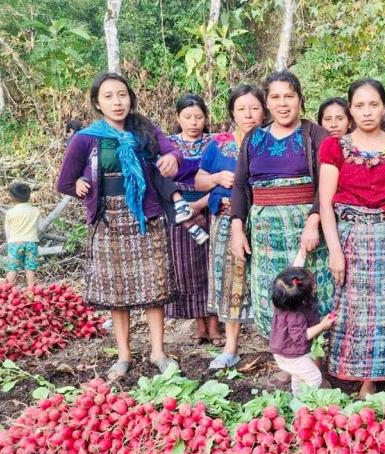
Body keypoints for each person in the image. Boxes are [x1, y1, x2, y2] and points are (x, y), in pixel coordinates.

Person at [57, 71, 186, 380]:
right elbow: (64, 182)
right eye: (109, 96)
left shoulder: (144, 130)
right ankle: (124, 355)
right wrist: (79, 183)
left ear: (130, 98)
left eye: (122, 95)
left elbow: (172, 150)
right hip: (108, 220)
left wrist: (172, 158)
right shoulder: (86, 138)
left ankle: (158, 351)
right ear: (97, 104)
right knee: (118, 292)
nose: (117, 102)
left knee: (154, 286)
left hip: (146, 215)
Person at [318, 78, 385, 398]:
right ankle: (365, 380)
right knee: (359, 312)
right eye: (360, 105)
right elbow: (326, 202)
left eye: (373, 104)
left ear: (384, 106)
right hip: (352, 238)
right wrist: (335, 251)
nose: (367, 112)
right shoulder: (334, 147)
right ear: (351, 109)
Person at [229, 71, 334, 341]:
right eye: (275, 97)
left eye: (289, 96)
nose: (283, 103)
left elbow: (326, 183)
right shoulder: (254, 138)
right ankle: (284, 358)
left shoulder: (316, 135)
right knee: (272, 291)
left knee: (310, 290)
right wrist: (238, 228)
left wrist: (314, 221)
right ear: (267, 102)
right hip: (265, 234)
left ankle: (316, 360)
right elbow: (241, 185)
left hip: (306, 231)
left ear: (300, 100)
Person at [195, 85, 266, 369]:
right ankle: (231, 346)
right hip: (225, 220)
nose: (248, 114)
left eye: (254, 108)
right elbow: (199, 180)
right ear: (232, 113)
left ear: (264, 110)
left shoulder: (272, 141)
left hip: (263, 220)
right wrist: (217, 178)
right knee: (231, 284)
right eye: (241, 109)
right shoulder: (219, 144)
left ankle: (280, 345)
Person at [166, 94, 221, 345]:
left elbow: (226, 174)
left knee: (213, 265)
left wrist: (203, 203)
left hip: (212, 206)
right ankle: (199, 324)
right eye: (187, 117)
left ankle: (215, 325)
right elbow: (162, 179)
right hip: (179, 211)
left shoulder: (216, 143)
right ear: (178, 118)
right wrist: (182, 205)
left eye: (199, 117)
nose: (193, 122)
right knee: (189, 268)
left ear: (206, 118)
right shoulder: (168, 145)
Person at [269, 267, 336, 395]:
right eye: (313, 286)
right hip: (293, 356)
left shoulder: (284, 301)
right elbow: (300, 337)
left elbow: (292, 281)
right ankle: (308, 404)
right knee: (314, 378)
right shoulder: (296, 315)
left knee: (298, 377)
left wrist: (302, 253)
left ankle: (297, 401)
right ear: (303, 298)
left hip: (283, 352)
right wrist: (322, 326)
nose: (315, 287)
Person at [4, 182, 40, 288]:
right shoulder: (36, 211)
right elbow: (38, 226)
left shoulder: (10, 212)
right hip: (31, 242)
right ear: (29, 196)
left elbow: (7, 231)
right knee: (30, 269)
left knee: (13, 269)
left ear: (12, 197)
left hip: (15, 243)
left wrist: (9, 242)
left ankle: (3, 291)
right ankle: (31, 291)